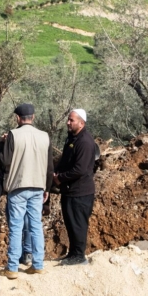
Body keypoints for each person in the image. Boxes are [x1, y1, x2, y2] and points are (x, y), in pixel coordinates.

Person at [0, 103, 53, 279]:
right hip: (38, 186)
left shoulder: (13, 135)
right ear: (33, 117)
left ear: (17, 118)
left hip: (18, 186)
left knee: (16, 227)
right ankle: (38, 264)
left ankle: (12, 267)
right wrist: (48, 188)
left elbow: (5, 160)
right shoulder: (45, 136)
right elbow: (50, 166)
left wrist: (2, 144)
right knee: (36, 225)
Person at [53, 109, 98, 266]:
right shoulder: (72, 139)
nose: (68, 122)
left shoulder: (85, 142)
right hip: (70, 191)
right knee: (71, 223)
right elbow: (66, 161)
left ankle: (79, 256)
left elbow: (80, 169)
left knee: (78, 224)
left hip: (81, 192)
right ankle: (72, 253)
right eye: (68, 119)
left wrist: (60, 178)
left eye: (71, 120)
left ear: (81, 123)